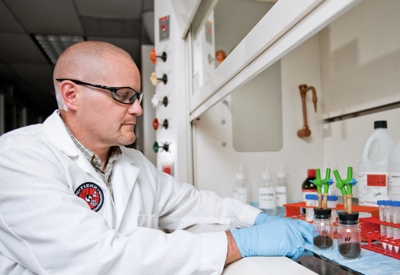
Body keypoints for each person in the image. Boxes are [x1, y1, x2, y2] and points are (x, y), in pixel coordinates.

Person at [0, 41, 313, 275]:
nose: (137, 109)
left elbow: (196, 204)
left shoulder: (131, 163)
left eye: (136, 97)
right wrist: (238, 244)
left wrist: (260, 220)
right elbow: (94, 260)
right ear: (71, 95)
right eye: (123, 96)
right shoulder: (18, 158)